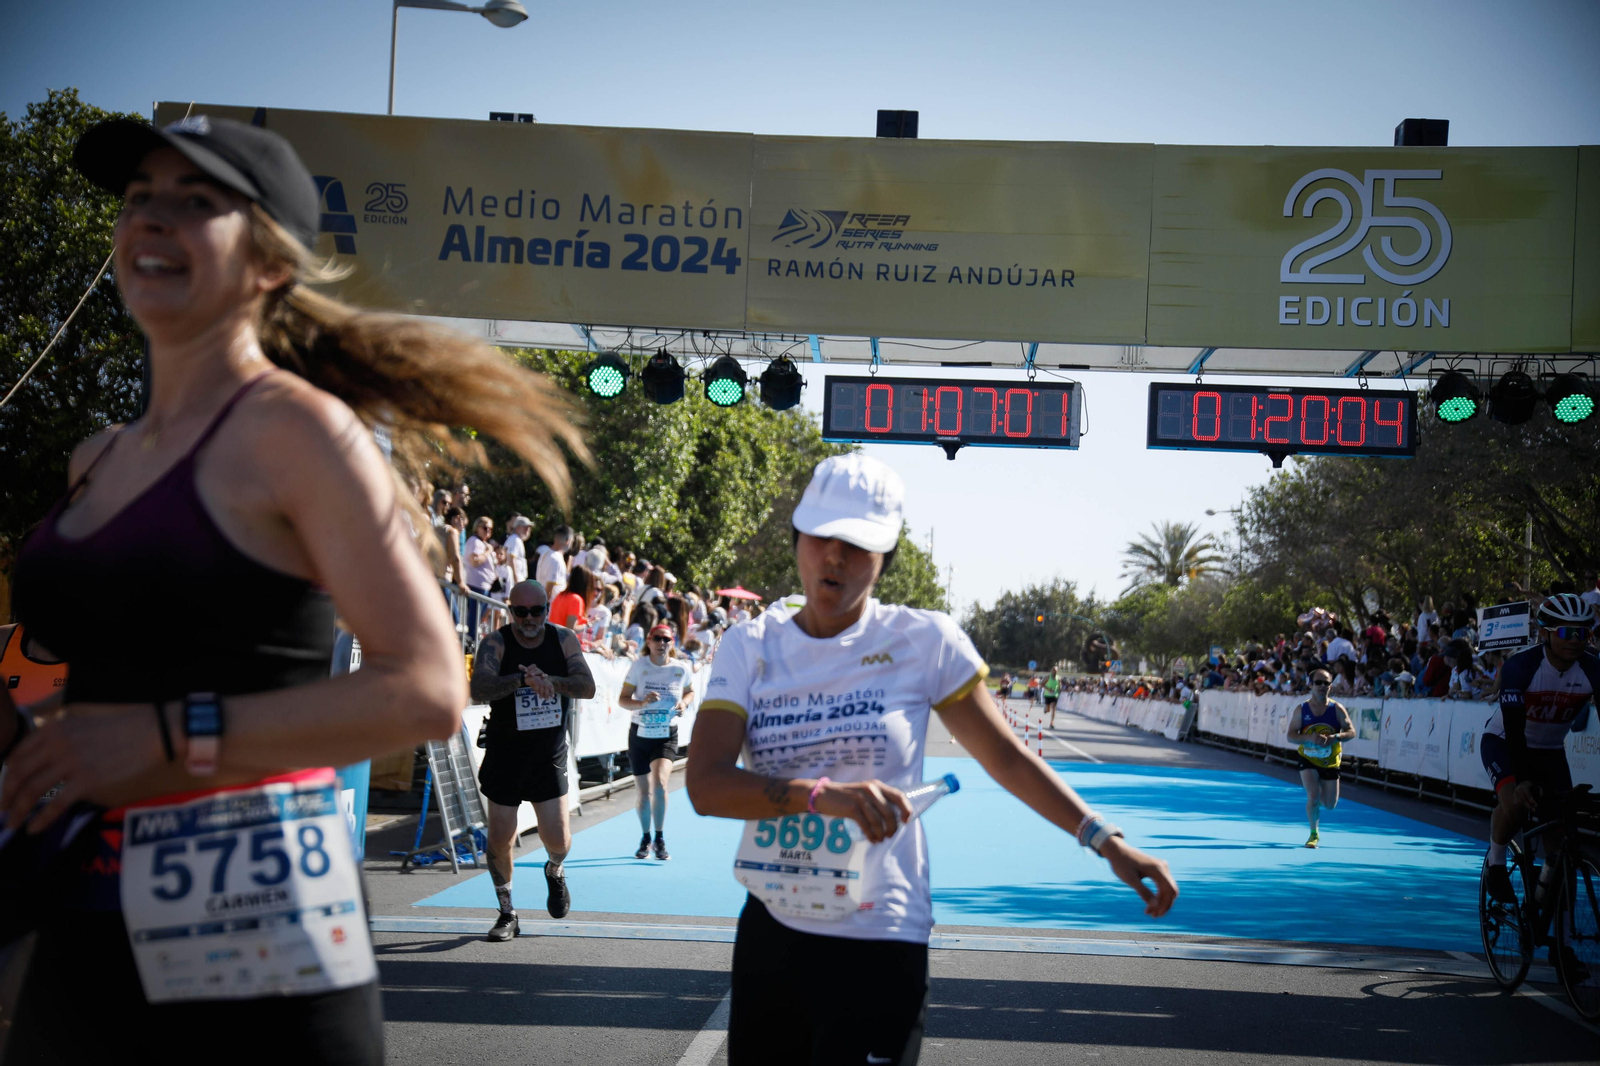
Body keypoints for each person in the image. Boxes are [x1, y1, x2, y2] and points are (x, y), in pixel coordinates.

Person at [0, 114, 580, 1063]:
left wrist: (160, 736)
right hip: (85, 903)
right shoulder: (94, 459)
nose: (151, 220)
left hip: (253, 922)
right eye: (139, 198)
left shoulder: (299, 434)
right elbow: (125, 670)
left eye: (194, 203)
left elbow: (428, 688)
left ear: (270, 261)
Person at [686, 454, 1176, 1066]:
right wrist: (823, 796)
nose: (834, 557)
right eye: (821, 537)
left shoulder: (924, 641)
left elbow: (1007, 756)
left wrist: (1105, 839)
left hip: (881, 938)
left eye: (857, 544)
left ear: (884, 557)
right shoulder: (751, 644)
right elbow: (705, 787)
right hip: (774, 933)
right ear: (797, 539)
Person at [470, 581, 597, 943]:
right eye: (520, 612)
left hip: (547, 754)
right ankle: (507, 912)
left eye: (536, 611)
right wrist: (522, 680)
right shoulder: (495, 643)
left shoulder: (563, 639)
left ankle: (554, 871)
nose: (529, 619)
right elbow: (479, 689)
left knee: (557, 838)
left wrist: (551, 681)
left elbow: (586, 686)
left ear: (546, 609)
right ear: (511, 611)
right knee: (500, 838)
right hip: (505, 753)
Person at [1480, 594, 1600, 935]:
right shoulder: (1521, 666)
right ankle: (1497, 861)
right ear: (1545, 634)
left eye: (1584, 634)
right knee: (1516, 803)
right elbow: (1515, 730)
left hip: (1549, 751)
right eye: (1566, 633)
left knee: (1562, 844)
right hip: (1505, 743)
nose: (1575, 641)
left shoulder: (1593, 667)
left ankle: (1552, 931)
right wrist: (1521, 780)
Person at [619, 624, 693, 861]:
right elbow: (622, 700)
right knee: (643, 792)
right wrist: (642, 703)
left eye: (667, 640)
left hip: (666, 735)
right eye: (658, 639)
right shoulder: (639, 667)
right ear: (648, 642)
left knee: (660, 783)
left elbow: (691, 691)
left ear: (672, 644)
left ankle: (660, 837)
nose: (662, 644)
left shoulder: (681, 668)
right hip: (640, 734)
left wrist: (684, 703)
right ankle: (645, 837)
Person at [1285, 669, 1355, 848]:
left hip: (1330, 760)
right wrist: (1308, 738)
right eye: (1319, 682)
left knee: (1330, 805)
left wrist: (1335, 738)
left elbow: (1351, 732)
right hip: (1308, 758)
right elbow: (1291, 736)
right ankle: (1313, 834)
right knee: (1313, 796)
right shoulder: (1302, 709)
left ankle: (1322, 792)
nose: (1323, 686)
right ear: (1311, 685)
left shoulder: (1337, 709)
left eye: (1327, 683)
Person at [536, 525, 573, 601]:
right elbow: (549, 588)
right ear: (568, 541)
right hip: (552, 606)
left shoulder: (545, 553)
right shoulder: (556, 560)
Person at [504, 515, 531, 584]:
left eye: (529, 527)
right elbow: (511, 560)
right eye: (525, 527)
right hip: (514, 581)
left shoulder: (516, 539)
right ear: (517, 528)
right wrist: (516, 580)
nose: (527, 530)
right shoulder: (515, 540)